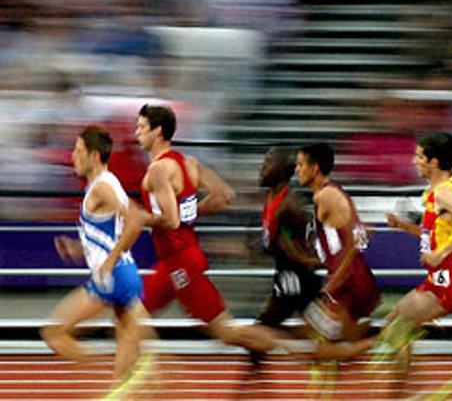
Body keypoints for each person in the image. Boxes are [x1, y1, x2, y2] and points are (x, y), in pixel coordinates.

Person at [134, 104, 277, 353]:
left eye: (141, 127)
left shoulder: (157, 170)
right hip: (175, 261)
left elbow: (170, 221)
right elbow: (224, 195)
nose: (136, 133)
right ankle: (147, 374)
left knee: (226, 332)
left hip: (181, 264)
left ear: (157, 132)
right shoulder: (188, 163)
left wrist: (137, 216)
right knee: (131, 315)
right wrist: (190, 212)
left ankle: (289, 348)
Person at [42, 126, 154, 397]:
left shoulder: (102, 187)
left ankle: (116, 368)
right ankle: (136, 378)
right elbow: (109, 231)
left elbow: (136, 220)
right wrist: (79, 249)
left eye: (78, 151)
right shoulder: (106, 182)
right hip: (125, 273)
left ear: (94, 156)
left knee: (54, 334)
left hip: (113, 276)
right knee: (126, 365)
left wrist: (108, 262)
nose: (72, 157)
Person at [376, 132, 452, 390]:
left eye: (419, 156)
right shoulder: (443, 188)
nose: (413, 161)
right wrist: (404, 226)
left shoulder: (443, 194)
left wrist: (441, 254)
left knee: (395, 326)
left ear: (435, 162)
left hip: (447, 279)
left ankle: (409, 394)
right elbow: (438, 234)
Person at [293, 141, 381, 390]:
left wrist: (335, 279)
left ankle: (386, 342)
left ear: (315, 168)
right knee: (337, 341)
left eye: (301, 165)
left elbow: (359, 238)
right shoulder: (329, 194)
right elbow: (361, 234)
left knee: (318, 348)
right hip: (353, 277)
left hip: (348, 281)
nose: (297, 170)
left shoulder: (326, 195)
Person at [249, 146, 322, 368]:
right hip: (287, 274)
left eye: (267, 164)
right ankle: (323, 358)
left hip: (296, 278)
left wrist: (307, 258)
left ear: (281, 171)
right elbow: (277, 239)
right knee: (317, 331)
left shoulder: (290, 205)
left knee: (259, 334)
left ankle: (320, 359)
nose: (261, 169)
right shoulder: (274, 198)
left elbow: (306, 241)